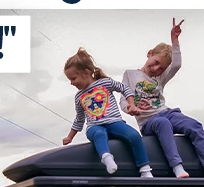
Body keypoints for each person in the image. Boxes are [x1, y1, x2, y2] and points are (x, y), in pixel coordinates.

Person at [122, 19, 204, 179]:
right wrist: (129, 108)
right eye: (156, 62)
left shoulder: (161, 77)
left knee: (194, 125)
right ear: (149, 53)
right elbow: (123, 100)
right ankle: (177, 166)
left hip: (167, 113)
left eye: (162, 68)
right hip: (148, 122)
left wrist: (175, 40)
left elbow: (177, 64)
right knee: (163, 123)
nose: (156, 69)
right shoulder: (130, 75)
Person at [63, 47, 153, 177]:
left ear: (86, 72)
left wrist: (131, 104)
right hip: (94, 126)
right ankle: (106, 158)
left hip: (114, 122)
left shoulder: (105, 83)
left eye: (73, 78)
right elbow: (79, 119)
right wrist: (70, 137)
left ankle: (145, 169)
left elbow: (124, 88)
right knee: (99, 134)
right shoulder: (79, 97)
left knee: (134, 136)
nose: (72, 83)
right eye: (69, 80)